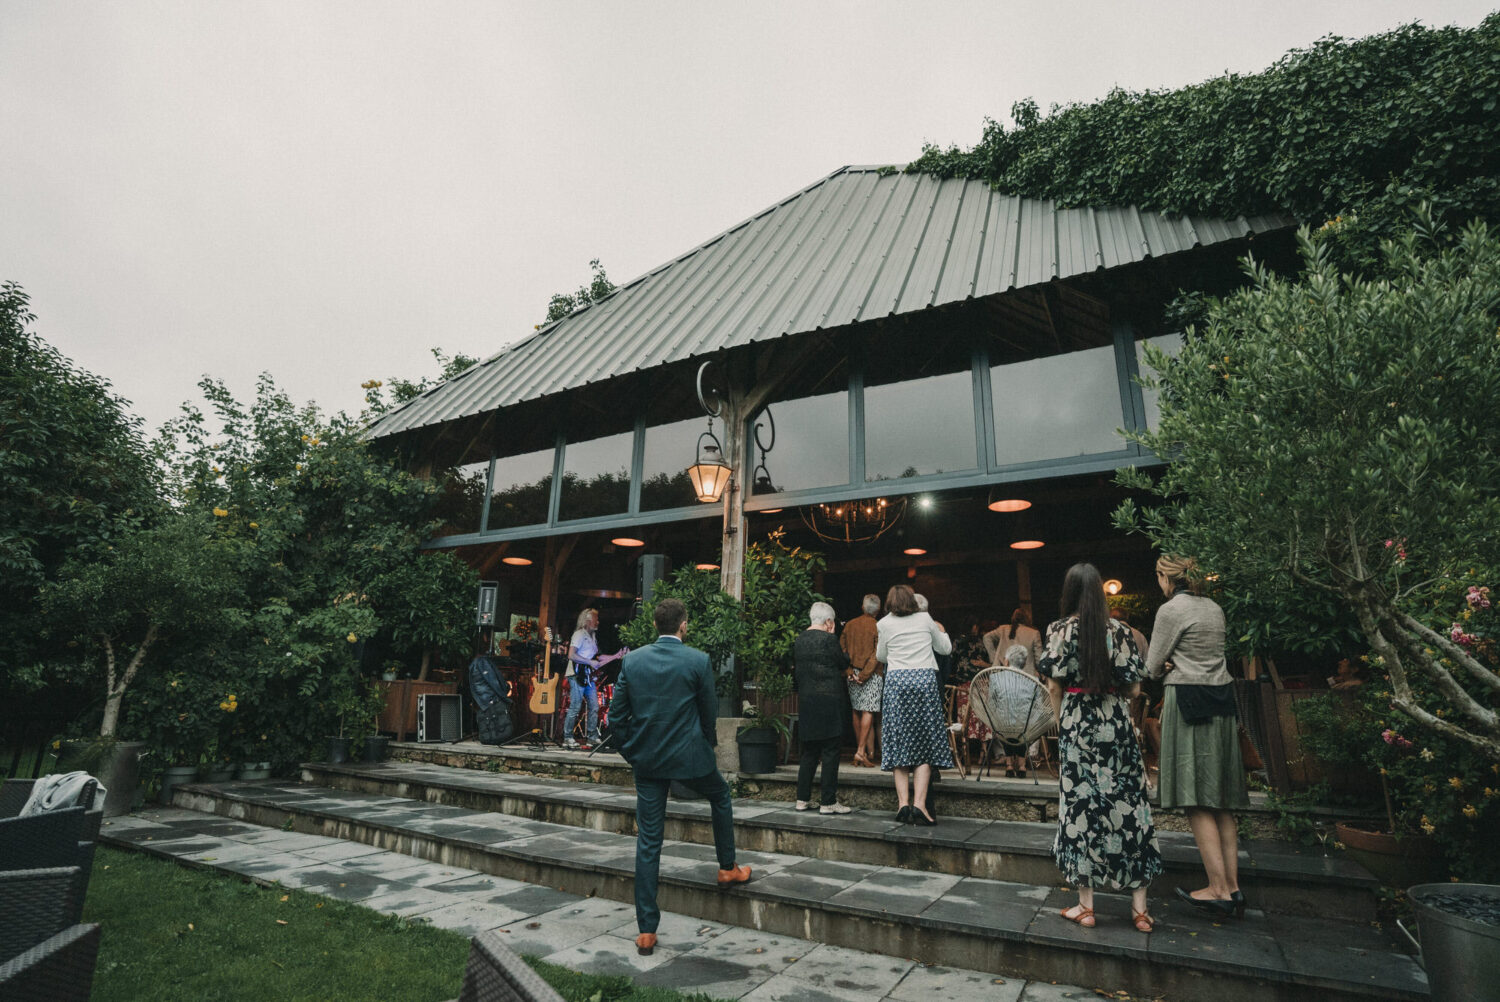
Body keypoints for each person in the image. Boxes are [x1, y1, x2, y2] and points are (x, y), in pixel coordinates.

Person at [611, 597, 751, 956]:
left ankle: (646, 930)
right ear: (683, 625)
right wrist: (705, 748)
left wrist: (633, 753)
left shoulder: (633, 660)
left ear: (655, 625)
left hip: (648, 762)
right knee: (720, 796)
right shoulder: (698, 660)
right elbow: (708, 715)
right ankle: (726, 867)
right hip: (691, 758)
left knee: (649, 841)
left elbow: (615, 720)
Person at [1040, 562, 1162, 933]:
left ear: (1070, 593)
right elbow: (1136, 690)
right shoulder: (1122, 632)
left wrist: (1062, 727)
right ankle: (1140, 911)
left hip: (1078, 723)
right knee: (1131, 806)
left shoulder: (1059, 631)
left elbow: (1054, 688)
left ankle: (1086, 906)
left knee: (1080, 808)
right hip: (1115, 722)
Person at [1148, 554, 1249, 919]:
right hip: (1221, 699)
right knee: (1219, 798)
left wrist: (1168, 664)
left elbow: (1151, 666)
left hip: (1187, 700)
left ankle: (1217, 888)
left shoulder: (1171, 610)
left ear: (1166, 578)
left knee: (1196, 798)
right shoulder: (1215, 608)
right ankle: (1233, 887)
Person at [876, 584, 952, 826]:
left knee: (899, 743)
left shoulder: (884, 623)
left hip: (897, 683)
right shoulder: (925, 618)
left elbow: (881, 656)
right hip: (924, 682)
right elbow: (945, 648)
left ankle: (903, 804)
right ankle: (920, 804)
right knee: (925, 743)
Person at [793, 601, 854, 814]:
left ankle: (802, 799)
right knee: (830, 751)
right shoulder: (829, 639)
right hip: (829, 701)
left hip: (807, 701)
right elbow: (842, 662)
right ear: (829, 621)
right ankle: (828, 802)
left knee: (809, 752)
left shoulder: (799, 640)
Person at [840, 594, 884, 768]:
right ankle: (860, 751)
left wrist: (850, 671)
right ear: (878, 610)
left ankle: (863, 752)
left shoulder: (850, 625)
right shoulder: (878, 626)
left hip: (852, 673)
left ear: (862, 607)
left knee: (856, 710)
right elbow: (877, 654)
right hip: (871, 674)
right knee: (868, 711)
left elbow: (841, 650)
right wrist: (865, 674)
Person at [563, 608, 612, 750]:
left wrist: (615, 656)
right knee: (575, 706)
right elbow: (571, 655)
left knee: (594, 706)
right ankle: (567, 737)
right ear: (588, 621)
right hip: (576, 674)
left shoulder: (593, 637)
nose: (598, 622)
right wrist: (590, 662)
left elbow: (596, 658)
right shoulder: (579, 635)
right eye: (595, 619)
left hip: (587, 676)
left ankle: (591, 736)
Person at [984, 607, 1044, 674]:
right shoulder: (1034, 633)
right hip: (1026, 677)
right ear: (1028, 619)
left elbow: (986, 638)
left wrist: (994, 658)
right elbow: (1039, 659)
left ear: (1013, 618)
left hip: (1002, 674)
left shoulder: (1003, 629)